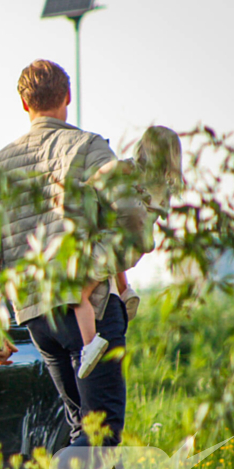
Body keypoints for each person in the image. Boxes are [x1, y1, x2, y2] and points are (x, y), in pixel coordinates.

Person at [0, 59, 147, 469]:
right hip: (88, 308)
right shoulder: (90, 148)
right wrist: (102, 272)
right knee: (101, 430)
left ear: (24, 104)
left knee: (80, 428)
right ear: (66, 97)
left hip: (35, 316)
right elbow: (133, 226)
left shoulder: (0, 164)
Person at [72, 125, 183, 378]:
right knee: (113, 250)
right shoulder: (164, 187)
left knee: (79, 293)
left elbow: (90, 185)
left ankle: (90, 344)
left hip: (112, 245)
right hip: (133, 250)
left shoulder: (125, 169)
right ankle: (125, 291)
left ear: (143, 147)